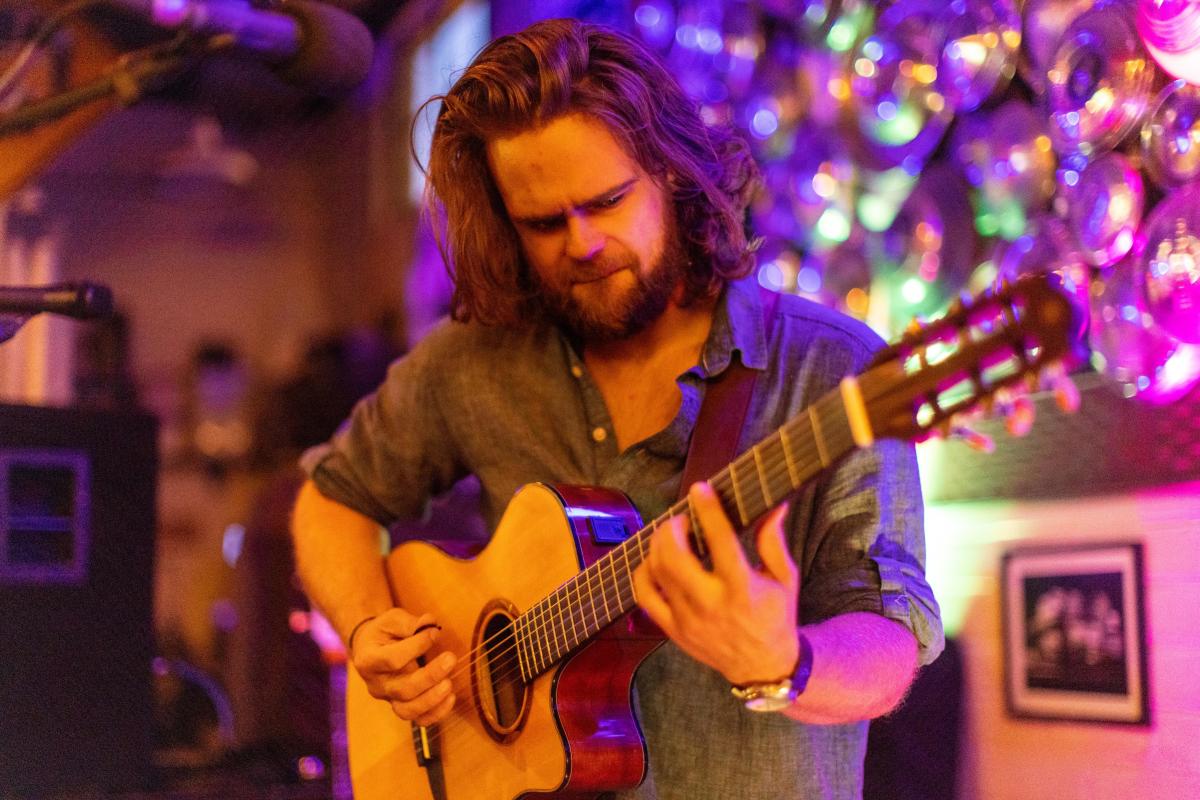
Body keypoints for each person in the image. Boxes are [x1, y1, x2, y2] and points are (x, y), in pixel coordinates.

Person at [291, 18, 943, 800]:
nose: (583, 242)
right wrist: (369, 630)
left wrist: (786, 662)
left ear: (668, 170)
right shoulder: (473, 362)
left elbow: (888, 641)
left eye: (607, 200)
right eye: (542, 222)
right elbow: (334, 498)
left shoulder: (834, 369)